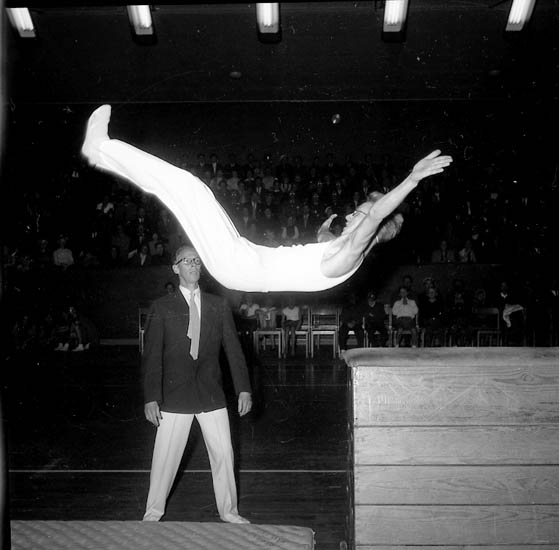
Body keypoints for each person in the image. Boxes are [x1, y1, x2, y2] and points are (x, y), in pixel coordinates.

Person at [82, 105, 452, 293]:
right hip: (242, 261)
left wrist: (412, 179)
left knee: (190, 188)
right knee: (182, 193)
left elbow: (373, 219)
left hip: (241, 265)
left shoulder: (352, 252)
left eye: (359, 214)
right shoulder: (342, 252)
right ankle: (102, 154)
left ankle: (101, 147)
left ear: (371, 229)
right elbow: (326, 244)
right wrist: (323, 232)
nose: (352, 216)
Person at [142, 245, 252, 523]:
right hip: (174, 396)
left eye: (197, 261)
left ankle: (229, 512)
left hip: (210, 394)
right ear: (175, 268)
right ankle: (152, 514)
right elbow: (152, 356)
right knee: (164, 461)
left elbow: (233, 350)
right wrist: (151, 397)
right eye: (186, 260)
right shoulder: (161, 307)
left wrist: (243, 388)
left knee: (224, 455)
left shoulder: (218, 305)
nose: (193, 265)